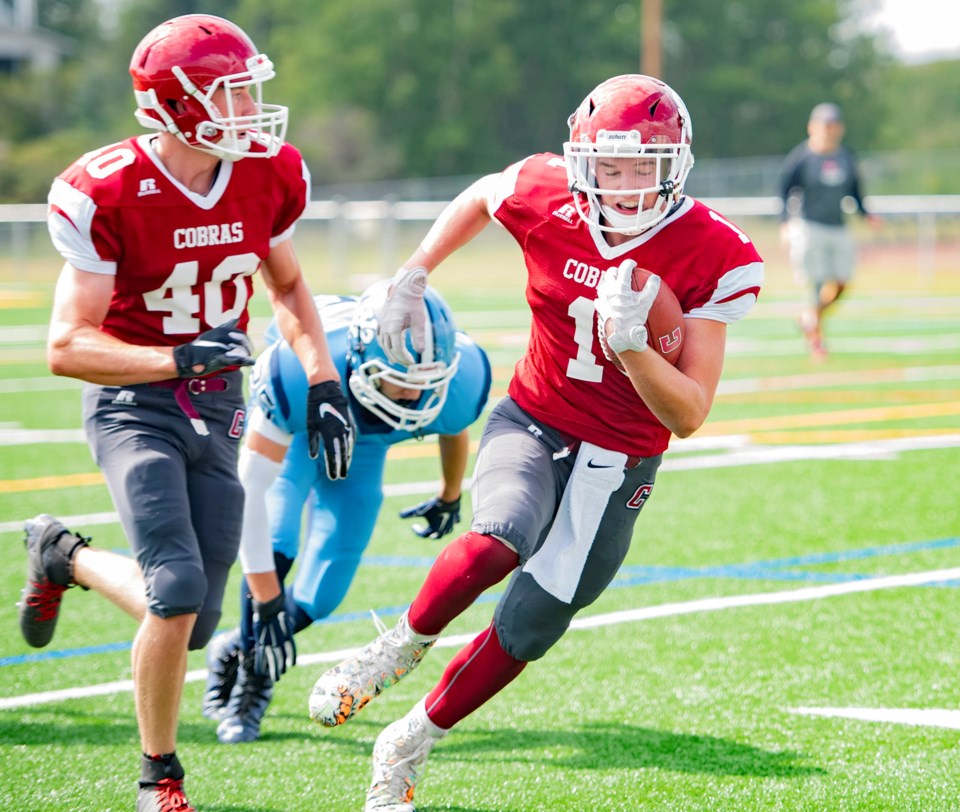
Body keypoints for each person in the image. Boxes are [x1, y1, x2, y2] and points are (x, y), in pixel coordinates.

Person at [308, 74, 764, 811]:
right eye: (609, 165)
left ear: (674, 163)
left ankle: (411, 739)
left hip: (622, 457)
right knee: (498, 539)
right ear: (581, 160)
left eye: (643, 165)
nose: (624, 182)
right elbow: (483, 194)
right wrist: (415, 272)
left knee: (534, 620)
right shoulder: (543, 190)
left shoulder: (715, 251)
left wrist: (635, 350)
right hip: (535, 416)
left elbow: (690, 414)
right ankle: (399, 644)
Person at [19, 14, 354, 812]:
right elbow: (66, 345)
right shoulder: (106, 189)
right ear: (175, 103)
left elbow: (288, 289)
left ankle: (60, 555)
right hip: (134, 403)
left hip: (218, 402)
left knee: (194, 621)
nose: (250, 108)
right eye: (231, 93)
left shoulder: (266, 174)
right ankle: (159, 778)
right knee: (173, 588)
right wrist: (171, 360)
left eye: (249, 90)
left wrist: (324, 380)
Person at [202, 284, 491, 745]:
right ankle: (253, 686)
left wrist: (450, 492)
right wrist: (267, 601)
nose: (416, 397)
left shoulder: (459, 379)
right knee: (276, 544)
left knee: (325, 590)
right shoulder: (295, 373)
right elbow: (251, 497)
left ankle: (237, 644)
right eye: (402, 380)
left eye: (429, 383)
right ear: (360, 359)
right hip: (301, 430)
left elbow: (453, 424)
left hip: (366, 451)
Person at [779, 102, 882, 359]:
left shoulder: (846, 156)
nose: (828, 130)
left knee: (842, 282)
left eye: (832, 125)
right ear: (812, 127)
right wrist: (785, 222)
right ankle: (817, 340)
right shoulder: (802, 157)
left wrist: (866, 213)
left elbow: (856, 190)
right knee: (815, 283)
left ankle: (809, 318)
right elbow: (784, 190)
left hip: (838, 226)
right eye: (824, 124)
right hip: (809, 225)